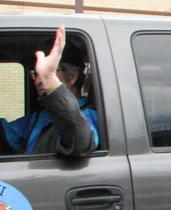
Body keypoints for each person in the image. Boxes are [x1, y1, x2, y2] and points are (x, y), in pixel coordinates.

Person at [0, 25, 99, 156]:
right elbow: (6, 134)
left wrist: (51, 83)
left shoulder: (88, 116)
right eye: (36, 74)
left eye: (49, 72)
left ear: (72, 77)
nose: (38, 81)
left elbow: (79, 142)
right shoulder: (39, 116)